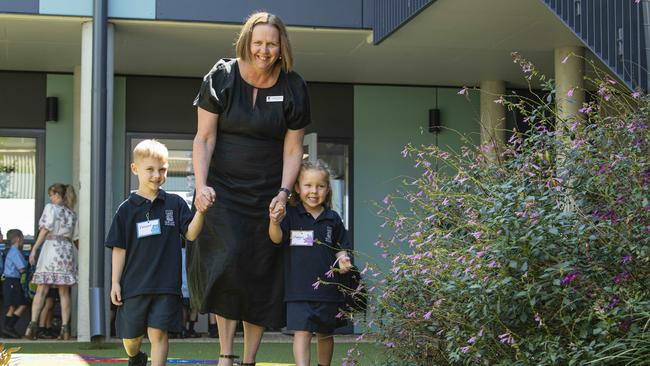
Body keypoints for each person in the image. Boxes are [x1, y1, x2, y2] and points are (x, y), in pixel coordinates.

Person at [189, 11, 310, 366]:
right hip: (223, 192)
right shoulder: (222, 76)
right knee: (227, 265)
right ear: (247, 42)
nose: (264, 50)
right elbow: (204, 138)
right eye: (258, 42)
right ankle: (226, 354)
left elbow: (293, 148)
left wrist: (284, 193)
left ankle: (249, 359)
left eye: (272, 43)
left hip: (267, 194)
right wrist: (200, 186)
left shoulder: (293, 86)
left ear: (281, 46)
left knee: (259, 273)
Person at [106, 139, 208, 366]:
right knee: (131, 338)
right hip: (134, 285)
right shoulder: (125, 210)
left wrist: (200, 212)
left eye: (162, 170)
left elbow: (190, 235)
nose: (156, 175)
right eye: (149, 169)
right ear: (135, 170)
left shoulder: (175, 203)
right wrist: (115, 282)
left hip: (165, 285)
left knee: (159, 334)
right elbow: (119, 248)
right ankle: (135, 356)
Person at [268, 160, 352, 366]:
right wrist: (274, 222)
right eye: (308, 185)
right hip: (298, 289)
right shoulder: (290, 213)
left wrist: (343, 258)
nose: (314, 191)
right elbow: (276, 238)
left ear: (327, 189)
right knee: (302, 333)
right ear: (297, 187)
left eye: (320, 186)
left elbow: (340, 246)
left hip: (328, 289)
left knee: (325, 334)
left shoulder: (333, 218)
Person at [24, 183, 78, 340]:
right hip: (66, 251)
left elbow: (45, 229)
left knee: (42, 289)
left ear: (57, 194)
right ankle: (65, 329)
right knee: (64, 292)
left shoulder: (51, 208)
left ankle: (32, 326)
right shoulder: (72, 214)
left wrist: (34, 249)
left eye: (51, 194)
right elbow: (76, 239)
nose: (50, 197)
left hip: (51, 249)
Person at [2, 229, 28, 338]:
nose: (23, 241)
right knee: (23, 304)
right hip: (13, 281)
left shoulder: (11, 251)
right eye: (22, 239)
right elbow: (22, 268)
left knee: (12, 307)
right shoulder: (15, 252)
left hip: (9, 281)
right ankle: (9, 327)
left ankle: (6, 329)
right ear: (17, 239)